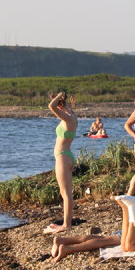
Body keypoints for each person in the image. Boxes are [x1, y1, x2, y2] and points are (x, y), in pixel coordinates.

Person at [48, 91, 78, 232]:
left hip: (63, 157)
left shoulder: (67, 118)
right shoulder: (71, 115)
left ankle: (67, 225)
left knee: (65, 194)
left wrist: (59, 96)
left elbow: (51, 107)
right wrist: (64, 101)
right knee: (66, 193)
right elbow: (58, 106)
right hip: (67, 156)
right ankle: (67, 223)